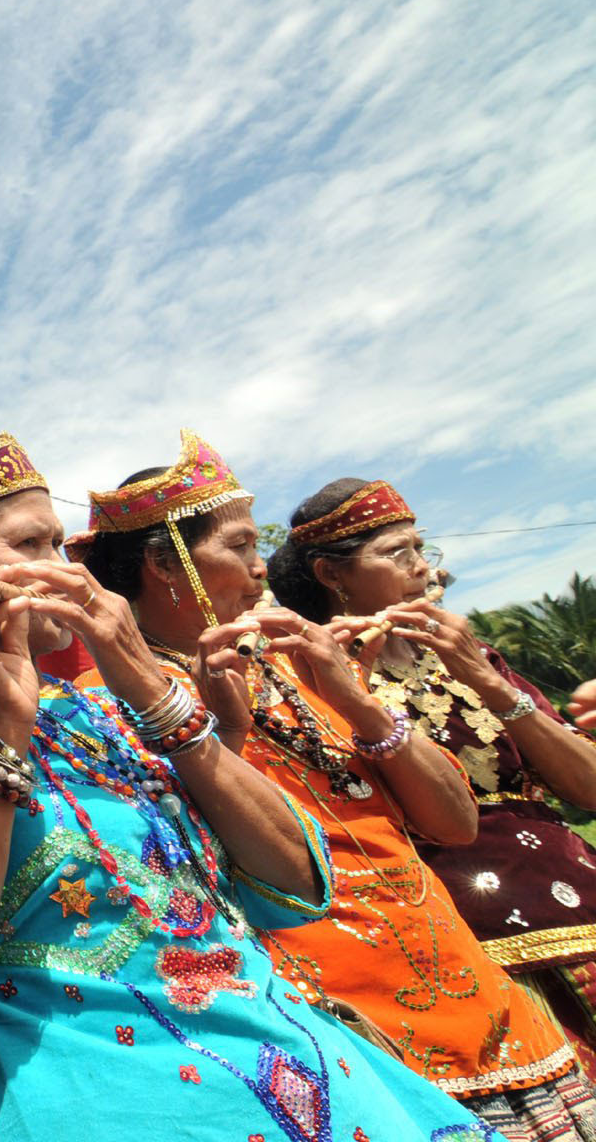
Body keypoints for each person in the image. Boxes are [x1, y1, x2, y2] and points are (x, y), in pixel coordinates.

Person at [0, 432, 506, 1140]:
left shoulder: (114, 708)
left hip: (306, 1078)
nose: (62, 570)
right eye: (29, 545)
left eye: (59, 546)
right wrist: (3, 730)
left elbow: (300, 880)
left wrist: (155, 694)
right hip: (104, 1103)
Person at [73, 433, 596, 1138]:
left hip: (467, 977)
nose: (261, 568)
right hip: (331, 1014)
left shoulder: (301, 665)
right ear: (167, 564)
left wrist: (356, 699)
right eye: (238, 547)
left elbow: (454, 826)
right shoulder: (105, 703)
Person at [269, 479, 596, 1069]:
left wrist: (491, 683)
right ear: (330, 574)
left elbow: (588, 788)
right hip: (469, 937)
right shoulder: (305, 674)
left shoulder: (473, 656)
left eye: (423, 550)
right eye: (399, 554)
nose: (425, 569)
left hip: (580, 890)